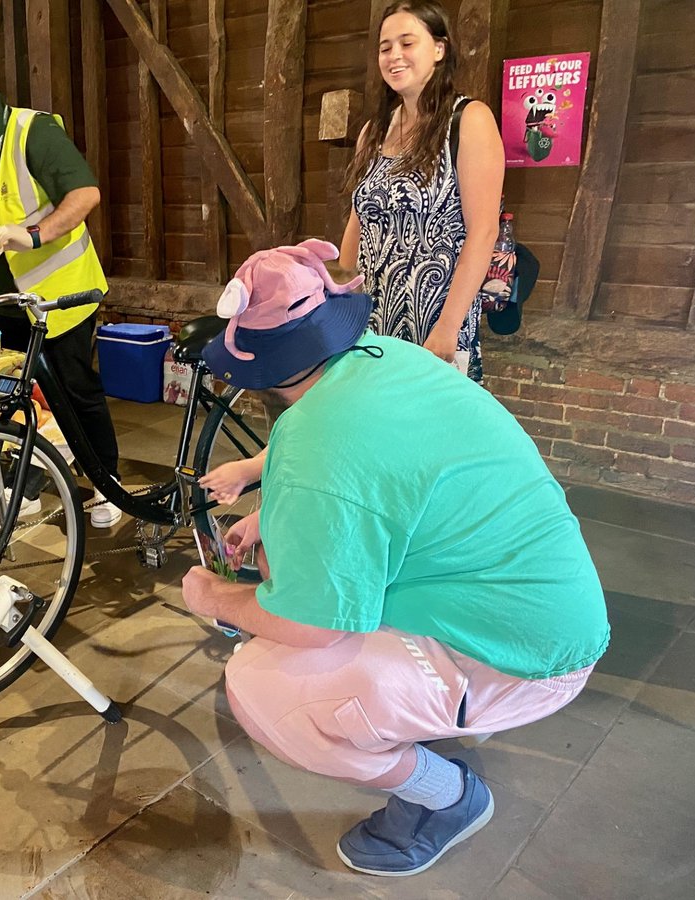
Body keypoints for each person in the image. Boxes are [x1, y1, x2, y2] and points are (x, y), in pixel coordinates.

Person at [182, 243, 609, 877]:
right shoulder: (388, 358)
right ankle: (436, 701)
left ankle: (448, 798)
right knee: (286, 563)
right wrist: (273, 510)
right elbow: (369, 470)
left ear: (260, 364)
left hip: (528, 657)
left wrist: (213, 598)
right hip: (553, 611)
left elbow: (316, 622)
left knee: (262, 686)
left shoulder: (315, 438)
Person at [0, 55, 122, 528]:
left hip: (57, 298)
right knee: (9, 397)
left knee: (76, 394)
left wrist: (32, 234)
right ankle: (23, 488)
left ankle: (107, 485)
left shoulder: (34, 132)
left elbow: (85, 195)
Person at [338, 0, 504, 383]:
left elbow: (483, 232)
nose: (394, 55)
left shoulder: (469, 121)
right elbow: (357, 222)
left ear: (439, 49)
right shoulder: (374, 131)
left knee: (429, 435)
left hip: (434, 320)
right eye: (385, 47)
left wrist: (447, 330)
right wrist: (341, 302)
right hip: (370, 320)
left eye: (407, 43)